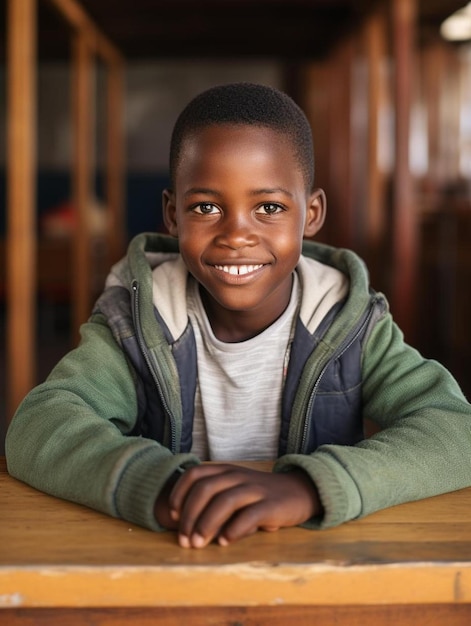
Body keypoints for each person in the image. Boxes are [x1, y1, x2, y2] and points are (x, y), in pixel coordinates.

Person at [6, 82, 471, 549]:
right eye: (206, 207)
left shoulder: (350, 323)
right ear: (172, 215)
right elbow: (38, 426)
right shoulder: (138, 321)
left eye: (269, 207)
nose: (236, 235)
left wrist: (310, 487)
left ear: (310, 215)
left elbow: (456, 430)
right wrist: (159, 485)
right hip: (177, 554)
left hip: (311, 559)